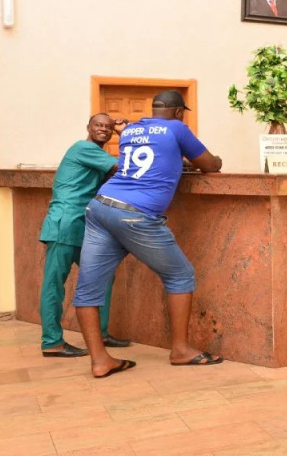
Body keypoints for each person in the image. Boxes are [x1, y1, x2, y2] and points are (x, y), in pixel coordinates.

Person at [72, 89, 224, 378]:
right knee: (180, 275)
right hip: (135, 214)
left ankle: (100, 361)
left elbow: (152, 158)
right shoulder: (177, 128)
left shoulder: (130, 131)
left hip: (100, 206)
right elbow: (209, 166)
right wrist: (215, 159)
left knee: (88, 288)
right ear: (178, 112)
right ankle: (180, 350)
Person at [38, 113, 130, 358]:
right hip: (65, 223)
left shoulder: (97, 155)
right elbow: (124, 166)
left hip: (82, 225)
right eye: (98, 125)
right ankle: (52, 342)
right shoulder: (83, 148)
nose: (104, 129)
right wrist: (127, 133)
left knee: (103, 276)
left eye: (108, 127)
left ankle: (100, 333)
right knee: (54, 284)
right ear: (88, 127)